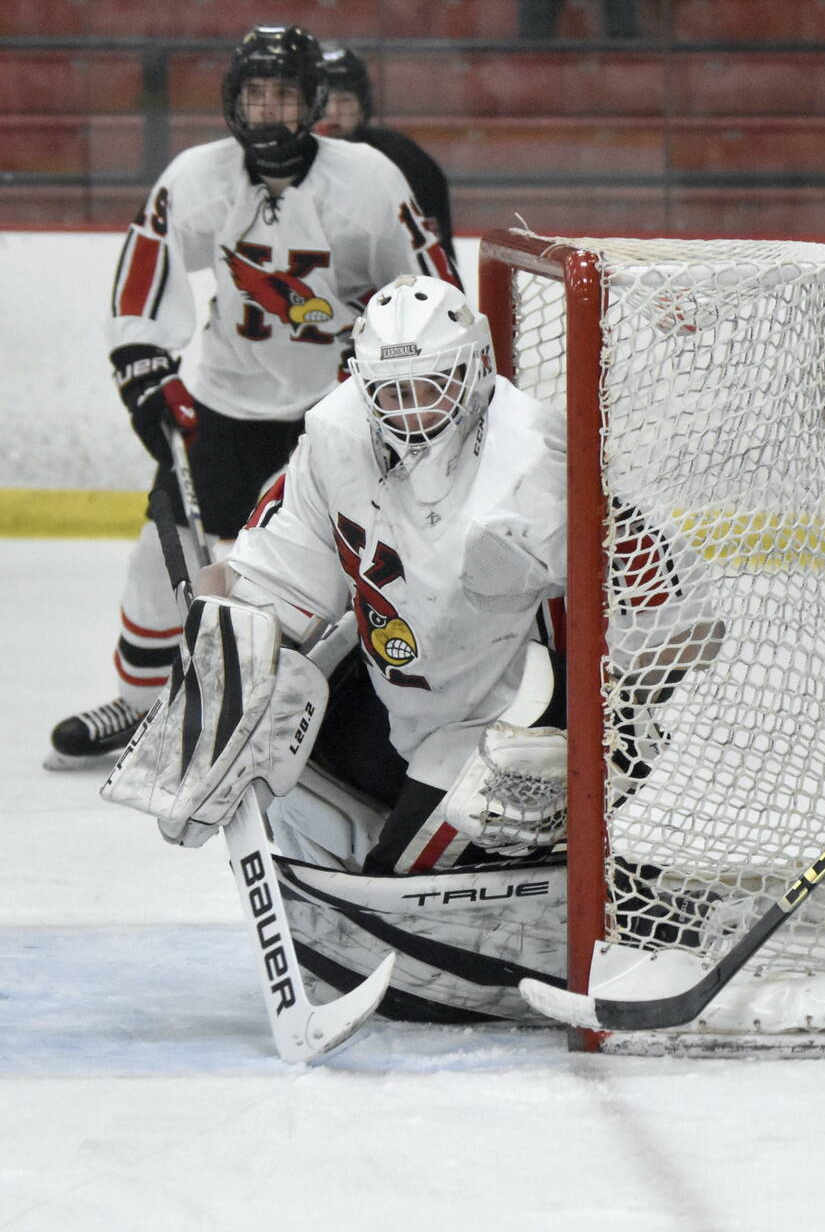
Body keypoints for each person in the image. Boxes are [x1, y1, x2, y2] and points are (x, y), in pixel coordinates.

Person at [100, 274, 720, 1020]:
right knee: (275, 755)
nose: (410, 412)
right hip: (400, 701)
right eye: (392, 392)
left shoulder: (537, 462)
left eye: (432, 387)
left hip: (521, 719)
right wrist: (223, 658)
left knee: (406, 876)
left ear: (477, 371)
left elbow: (683, 611)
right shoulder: (335, 433)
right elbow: (280, 572)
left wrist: (609, 726)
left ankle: (619, 905)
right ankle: (428, 895)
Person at [45, 25, 461, 771]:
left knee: (344, 569)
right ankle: (138, 705)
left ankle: (337, 715)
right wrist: (146, 369)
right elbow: (145, 277)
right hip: (225, 403)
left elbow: (432, 284)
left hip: (334, 413)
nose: (269, 111)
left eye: (286, 95)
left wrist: (390, 364)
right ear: (233, 102)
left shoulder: (367, 178)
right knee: (158, 551)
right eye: (255, 95)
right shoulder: (197, 177)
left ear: (313, 104)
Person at [315, 46, 461, 286]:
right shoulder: (280, 164)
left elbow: (435, 266)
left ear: (363, 105)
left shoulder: (406, 161)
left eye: (344, 100)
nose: (332, 112)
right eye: (323, 101)